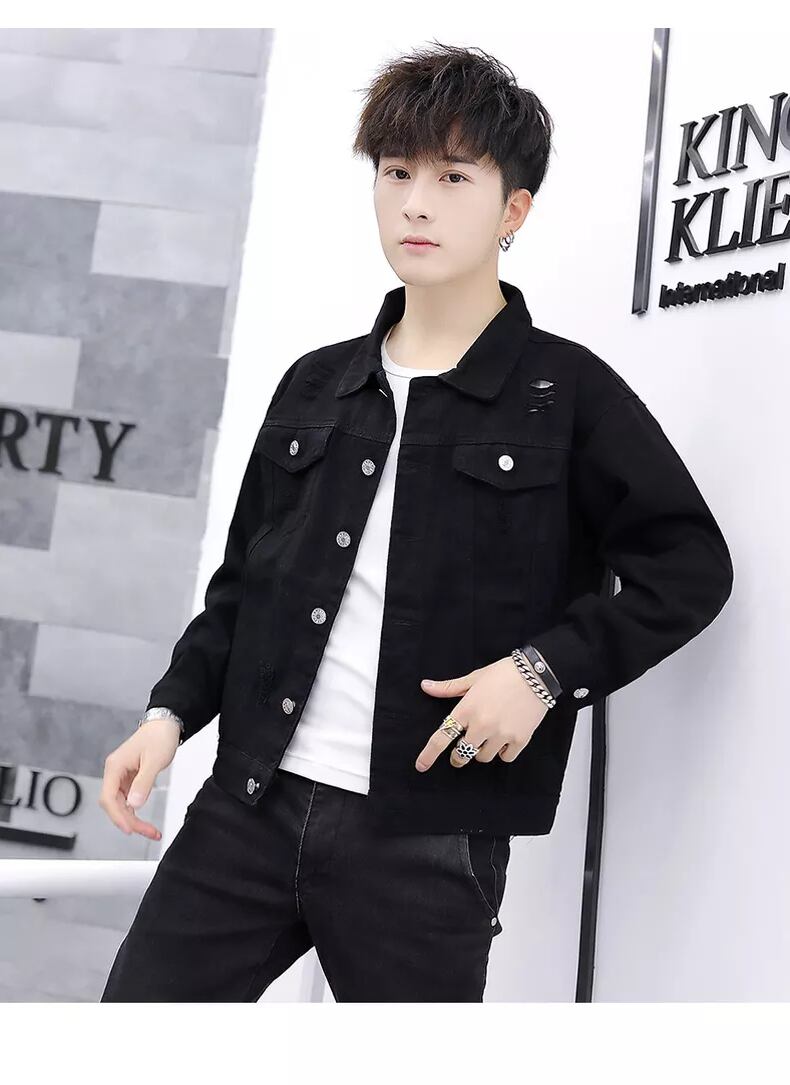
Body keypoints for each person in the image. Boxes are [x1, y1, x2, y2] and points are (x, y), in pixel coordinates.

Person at [99, 41, 733, 1002]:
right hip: (247, 808)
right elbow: (243, 587)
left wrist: (543, 673)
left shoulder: (567, 393)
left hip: (428, 845)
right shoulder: (315, 384)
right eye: (396, 173)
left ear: (514, 210)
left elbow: (688, 564)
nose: (416, 205)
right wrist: (169, 713)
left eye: (453, 177)